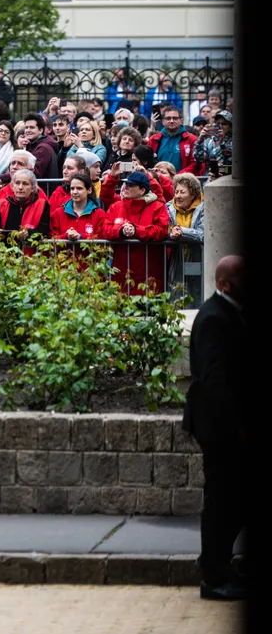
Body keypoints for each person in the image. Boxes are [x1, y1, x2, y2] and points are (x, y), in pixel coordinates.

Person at [182, 255, 245, 602]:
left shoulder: (230, 313)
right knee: (221, 501)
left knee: (232, 501)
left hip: (226, 425)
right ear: (224, 284)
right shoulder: (213, 319)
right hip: (218, 427)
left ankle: (221, 565)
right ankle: (213, 575)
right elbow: (215, 381)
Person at [98, 171, 170, 294]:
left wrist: (136, 230)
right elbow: (104, 229)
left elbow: (161, 230)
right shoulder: (116, 206)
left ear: (142, 190)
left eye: (131, 186)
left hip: (149, 273)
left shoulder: (158, 207)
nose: (126, 188)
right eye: (126, 184)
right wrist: (121, 231)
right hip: (121, 272)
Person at [166, 173, 205, 307]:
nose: (178, 196)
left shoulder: (204, 208)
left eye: (182, 192)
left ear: (193, 194)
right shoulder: (168, 208)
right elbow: (165, 228)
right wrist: (171, 232)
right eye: (176, 192)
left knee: (196, 295)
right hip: (176, 260)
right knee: (176, 295)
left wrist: (182, 232)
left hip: (197, 258)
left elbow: (202, 233)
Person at [0, 168, 50, 239]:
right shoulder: (0, 204)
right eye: (17, 183)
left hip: (31, 249)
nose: (20, 187)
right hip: (6, 249)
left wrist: (29, 234)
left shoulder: (43, 205)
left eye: (25, 184)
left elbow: (44, 232)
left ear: (33, 188)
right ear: (12, 187)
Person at [50, 172, 107, 242]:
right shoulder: (58, 213)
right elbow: (51, 239)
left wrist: (80, 236)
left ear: (89, 190)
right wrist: (66, 236)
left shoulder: (99, 214)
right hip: (63, 253)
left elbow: (102, 239)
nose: (74, 192)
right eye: (72, 188)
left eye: (79, 188)